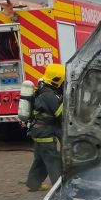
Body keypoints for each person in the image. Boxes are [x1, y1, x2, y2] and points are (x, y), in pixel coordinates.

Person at [25, 63, 65, 191]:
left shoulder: (43, 90)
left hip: (38, 131)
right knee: (53, 160)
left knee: (41, 160)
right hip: (45, 133)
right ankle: (60, 189)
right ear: (57, 81)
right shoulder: (49, 96)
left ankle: (33, 183)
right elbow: (62, 115)